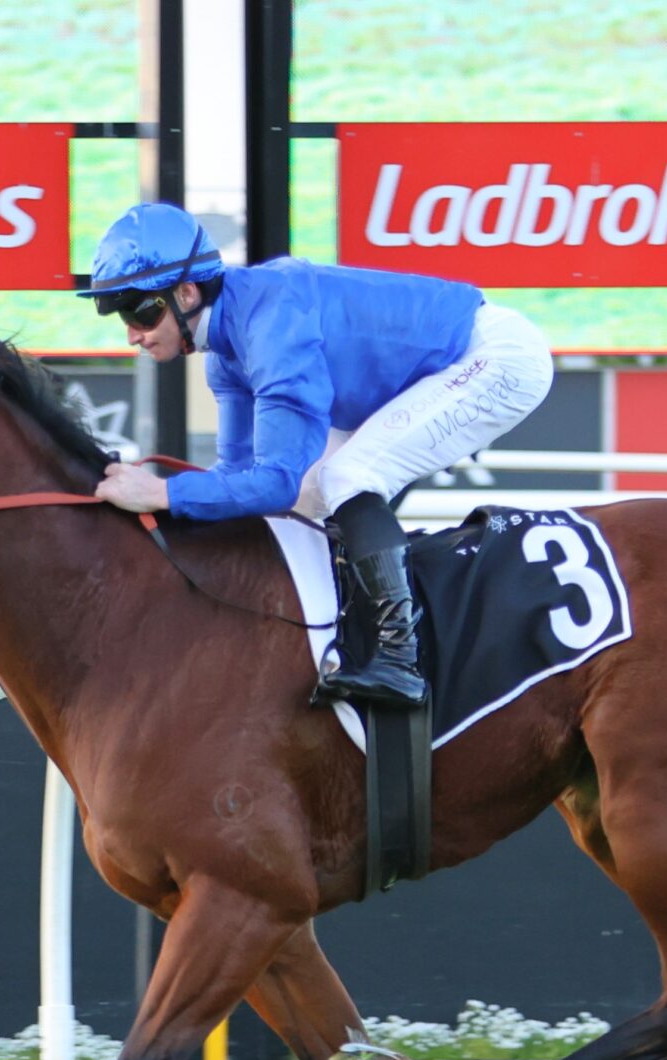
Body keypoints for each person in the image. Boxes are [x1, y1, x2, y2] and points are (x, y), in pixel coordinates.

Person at [82, 203, 554, 708]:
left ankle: (400, 658)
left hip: (495, 358)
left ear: (186, 293)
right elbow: (239, 477)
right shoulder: (225, 354)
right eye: (120, 315)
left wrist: (160, 492)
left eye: (141, 311)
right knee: (309, 495)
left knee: (347, 476)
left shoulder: (271, 327)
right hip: (434, 369)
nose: (132, 333)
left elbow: (274, 482)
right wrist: (168, 505)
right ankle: (330, 636)